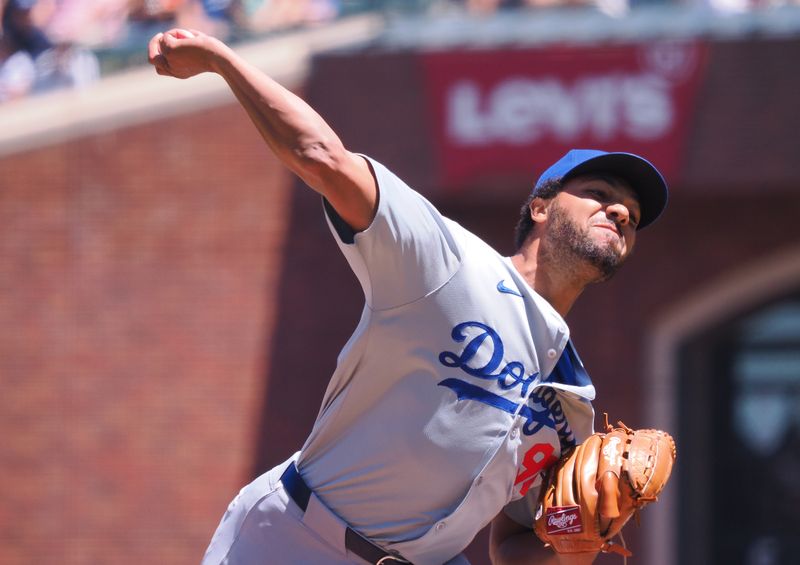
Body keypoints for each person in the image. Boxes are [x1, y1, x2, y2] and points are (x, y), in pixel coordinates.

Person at [148, 29, 668, 565]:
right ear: (540, 208)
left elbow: (511, 548)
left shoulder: (571, 402)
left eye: (631, 212)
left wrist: (574, 542)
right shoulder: (447, 261)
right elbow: (324, 157)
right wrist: (221, 60)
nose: (622, 213)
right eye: (600, 195)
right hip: (296, 539)